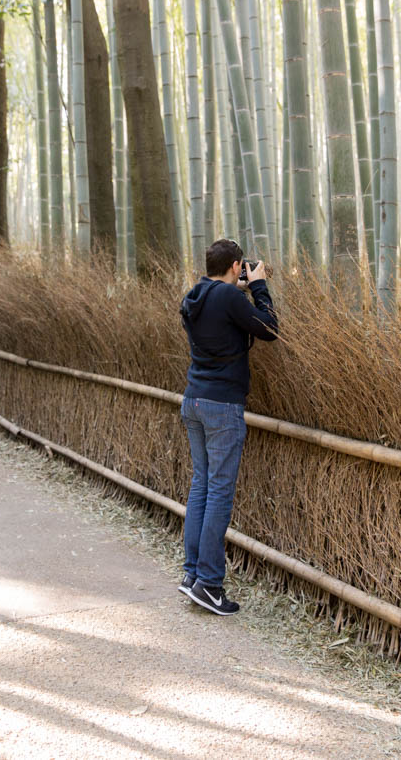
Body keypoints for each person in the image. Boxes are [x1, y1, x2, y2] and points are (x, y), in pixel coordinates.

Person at [178, 238, 278, 615]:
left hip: (194, 400)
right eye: (243, 268)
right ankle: (209, 583)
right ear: (237, 266)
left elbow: (222, 314)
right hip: (222, 406)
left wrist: (238, 287)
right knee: (218, 492)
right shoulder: (230, 298)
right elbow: (269, 328)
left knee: (201, 486)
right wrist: (260, 286)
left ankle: (192, 576)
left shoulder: (196, 295)